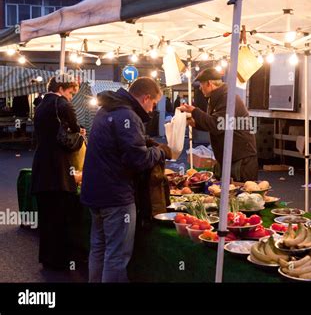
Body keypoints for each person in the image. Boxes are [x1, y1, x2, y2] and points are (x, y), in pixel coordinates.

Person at [80, 77, 171, 283]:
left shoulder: (109, 109)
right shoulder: (126, 115)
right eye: (153, 104)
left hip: (95, 192)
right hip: (115, 196)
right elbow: (137, 160)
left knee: (99, 249)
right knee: (116, 256)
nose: (151, 110)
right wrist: (159, 152)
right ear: (146, 97)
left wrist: (146, 142)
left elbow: (119, 144)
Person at [31, 74, 85, 270]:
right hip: (59, 169)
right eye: (71, 92)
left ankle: (47, 258)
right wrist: (81, 135)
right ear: (62, 88)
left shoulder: (41, 105)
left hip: (41, 166)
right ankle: (61, 260)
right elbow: (73, 133)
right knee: (60, 217)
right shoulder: (62, 104)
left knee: (46, 218)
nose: (71, 97)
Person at [179, 68, 258, 182]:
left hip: (241, 159)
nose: (200, 88)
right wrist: (194, 123)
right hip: (229, 157)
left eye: (201, 84)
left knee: (241, 195)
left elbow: (216, 125)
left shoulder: (228, 98)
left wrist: (194, 111)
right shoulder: (217, 97)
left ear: (209, 83)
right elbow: (214, 124)